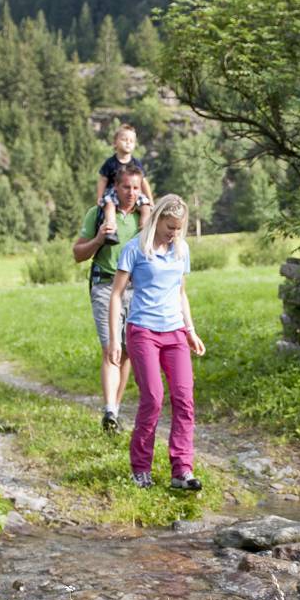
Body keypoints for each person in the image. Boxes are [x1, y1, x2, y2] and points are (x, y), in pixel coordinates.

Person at [107, 194, 205, 490]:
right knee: (153, 398)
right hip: (143, 331)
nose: (173, 233)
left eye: (178, 228)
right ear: (158, 219)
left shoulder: (181, 250)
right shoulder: (134, 249)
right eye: (169, 227)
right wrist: (115, 339)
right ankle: (140, 469)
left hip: (174, 332)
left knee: (184, 398)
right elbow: (115, 295)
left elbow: (180, 292)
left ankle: (181, 471)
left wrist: (190, 330)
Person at [74, 163, 145, 432]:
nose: (131, 192)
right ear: (116, 187)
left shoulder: (143, 217)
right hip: (104, 286)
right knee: (110, 348)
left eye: (136, 188)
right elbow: (78, 254)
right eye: (126, 187)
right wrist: (98, 241)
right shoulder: (99, 214)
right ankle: (109, 408)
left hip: (135, 289)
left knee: (126, 351)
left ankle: (113, 413)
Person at [98, 124, 154, 244]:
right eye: (124, 140)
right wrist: (99, 196)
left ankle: (144, 229)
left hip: (134, 193)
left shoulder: (136, 163)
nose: (128, 143)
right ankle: (111, 230)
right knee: (109, 205)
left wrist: (150, 199)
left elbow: (143, 182)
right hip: (113, 192)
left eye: (131, 141)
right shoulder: (110, 163)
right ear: (115, 143)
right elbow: (103, 180)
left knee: (145, 206)